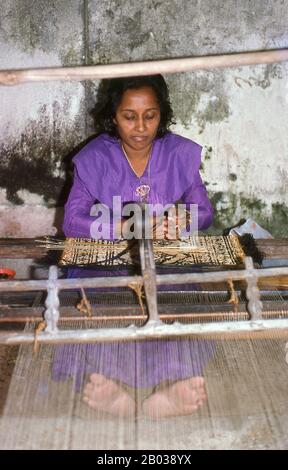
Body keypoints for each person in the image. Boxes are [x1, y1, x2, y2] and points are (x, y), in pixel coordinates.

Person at [53, 75, 215, 418]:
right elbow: (72, 221)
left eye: (150, 115)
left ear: (162, 114)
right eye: (129, 116)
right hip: (107, 259)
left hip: (166, 257)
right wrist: (123, 227)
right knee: (92, 297)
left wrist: (179, 222)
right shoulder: (95, 157)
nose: (140, 127)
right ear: (114, 115)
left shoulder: (178, 154)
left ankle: (170, 387)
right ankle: (110, 386)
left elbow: (204, 212)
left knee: (181, 296)